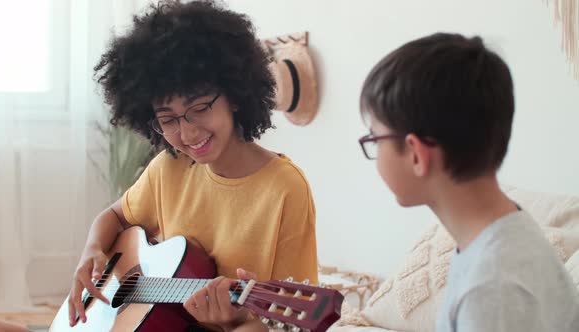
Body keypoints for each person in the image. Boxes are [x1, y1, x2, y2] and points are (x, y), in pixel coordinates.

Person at [206, 32, 579, 332]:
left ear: (416, 153)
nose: (374, 154)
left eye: (374, 139)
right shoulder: (506, 235)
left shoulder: (492, 289)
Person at [67, 0, 318, 329]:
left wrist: (234, 322)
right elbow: (115, 216)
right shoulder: (169, 168)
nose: (187, 133)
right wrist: (92, 249)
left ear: (236, 95)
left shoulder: (285, 189)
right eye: (167, 119)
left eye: (200, 108)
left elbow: (293, 321)